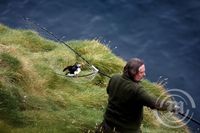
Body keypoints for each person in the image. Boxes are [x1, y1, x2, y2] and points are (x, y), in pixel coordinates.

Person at [95, 58, 179, 133]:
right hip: (127, 130)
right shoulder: (137, 90)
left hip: (107, 124)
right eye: (141, 72)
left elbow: (109, 91)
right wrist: (172, 106)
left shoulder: (114, 78)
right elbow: (155, 103)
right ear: (133, 73)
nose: (144, 74)